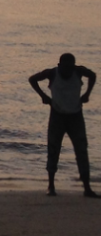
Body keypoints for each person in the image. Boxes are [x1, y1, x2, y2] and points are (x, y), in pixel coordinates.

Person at [28, 53, 98, 198]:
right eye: (65, 67)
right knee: (53, 148)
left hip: (76, 115)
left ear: (74, 66)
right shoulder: (52, 73)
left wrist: (87, 94)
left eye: (70, 67)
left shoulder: (78, 71)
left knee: (81, 150)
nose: (68, 70)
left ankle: (87, 187)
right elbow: (32, 79)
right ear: (59, 65)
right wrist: (43, 96)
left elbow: (93, 75)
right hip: (57, 115)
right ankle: (51, 186)